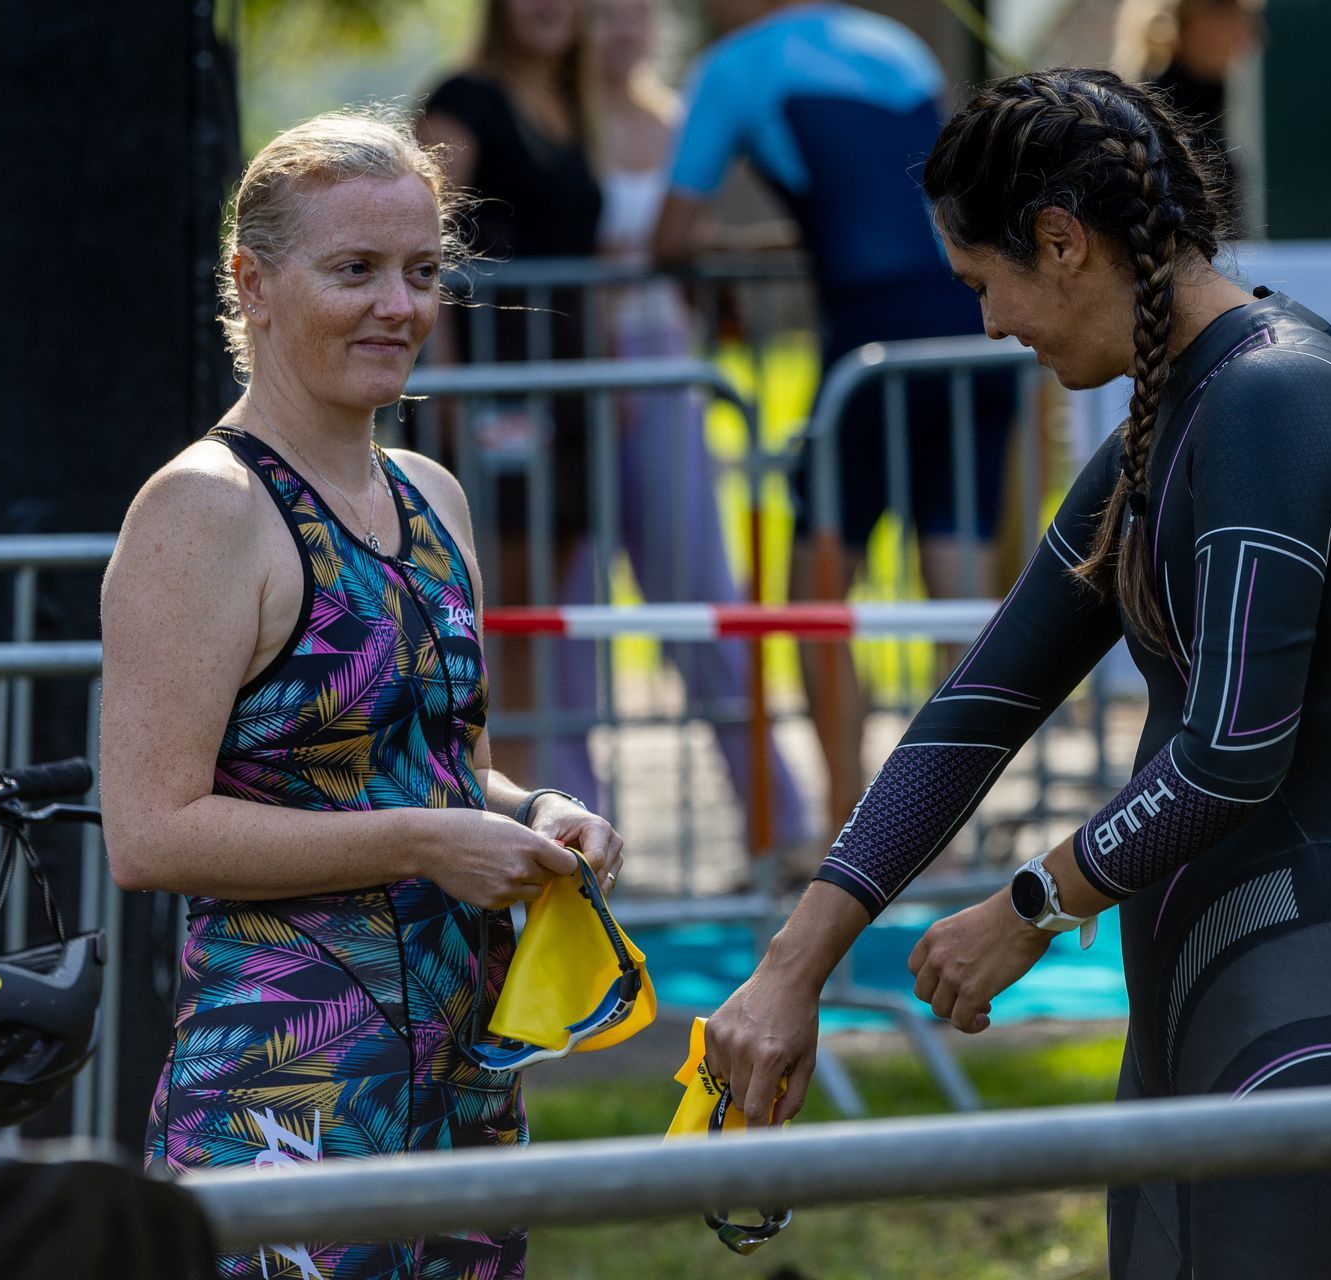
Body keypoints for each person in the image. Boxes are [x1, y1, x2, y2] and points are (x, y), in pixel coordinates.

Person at [703, 69, 1331, 1278]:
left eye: (984, 284)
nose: (988, 326)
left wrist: (1031, 904)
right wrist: (790, 966)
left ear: (1063, 242)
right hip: (1207, 1015)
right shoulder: (1172, 412)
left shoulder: (1275, 395)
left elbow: (1234, 749)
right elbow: (982, 703)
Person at [100, 106, 623, 1280]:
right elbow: (148, 829)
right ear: (256, 283)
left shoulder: (434, 493)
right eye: (356, 270)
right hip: (284, 1087)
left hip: (463, 1074)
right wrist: (429, 842)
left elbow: (442, 762)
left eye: (423, 271)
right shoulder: (204, 509)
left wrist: (530, 813)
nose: (400, 306)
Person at [653, 0, 1020, 830]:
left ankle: (854, 820)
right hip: (978, 320)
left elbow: (669, 239)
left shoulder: (734, 67)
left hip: (872, 346)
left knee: (812, 591)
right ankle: (952, 827)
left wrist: (750, 255)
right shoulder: (892, 43)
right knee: (954, 587)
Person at [533, 0, 811, 853]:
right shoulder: (557, 121)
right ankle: (570, 836)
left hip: (664, 371)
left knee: (702, 600)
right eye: (603, 13)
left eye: (634, 13)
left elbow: (695, 241)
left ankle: (781, 823)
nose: (619, 29)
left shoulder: (683, 121)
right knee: (564, 617)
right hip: (571, 378)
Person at [418, 0, 603, 785]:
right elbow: (420, 233)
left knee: (530, 608)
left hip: (565, 390)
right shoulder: (463, 100)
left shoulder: (575, 104)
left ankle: (522, 795)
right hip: (493, 386)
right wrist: (451, 379)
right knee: (486, 600)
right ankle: (473, 793)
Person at [1113, 0, 1263, 235]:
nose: (1248, 33)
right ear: (1189, 20)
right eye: (1231, 14)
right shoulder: (1146, 117)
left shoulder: (1211, 97)